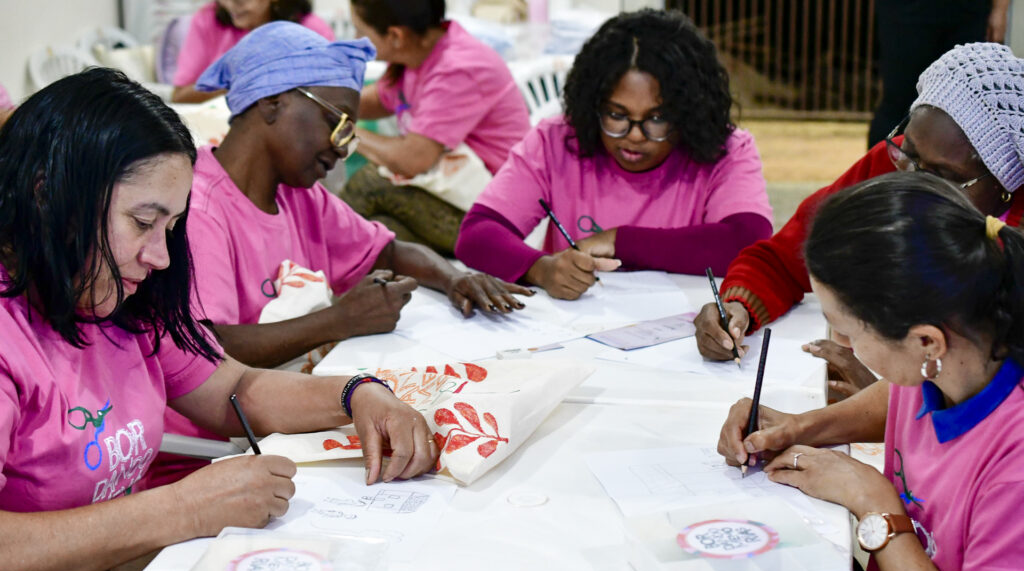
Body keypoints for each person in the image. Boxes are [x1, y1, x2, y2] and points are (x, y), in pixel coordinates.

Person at [0, 68, 436, 571]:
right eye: (142, 223)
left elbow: (233, 386)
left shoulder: (121, 303)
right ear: (49, 193)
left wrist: (360, 394)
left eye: (172, 230)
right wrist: (183, 508)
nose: (159, 257)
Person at [145, 22, 530, 488]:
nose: (344, 148)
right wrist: (339, 321)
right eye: (338, 122)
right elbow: (207, 354)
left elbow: (390, 250)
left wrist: (453, 280)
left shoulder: (299, 196)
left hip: (277, 413)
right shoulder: (200, 209)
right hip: (217, 448)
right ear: (272, 102)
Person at [717, 172, 1024, 571]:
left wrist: (875, 503)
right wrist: (800, 426)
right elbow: (904, 395)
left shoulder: (1014, 470)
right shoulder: (955, 360)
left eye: (849, 329)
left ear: (926, 342)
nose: (840, 341)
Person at [695, 42, 1024, 392]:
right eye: (907, 151)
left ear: (1005, 182)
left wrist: (884, 400)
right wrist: (737, 306)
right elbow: (784, 258)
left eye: (942, 175)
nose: (912, 179)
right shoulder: (890, 165)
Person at [455, 9, 773, 300]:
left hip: (686, 331)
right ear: (593, 106)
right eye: (617, 116)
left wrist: (620, 242)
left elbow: (746, 243)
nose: (635, 135)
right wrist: (540, 269)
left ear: (689, 114)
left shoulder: (726, 149)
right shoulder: (557, 141)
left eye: (658, 119)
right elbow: (477, 234)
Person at [340, 0, 530, 255]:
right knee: (379, 232)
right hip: (455, 201)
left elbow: (411, 160)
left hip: (498, 220)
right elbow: (378, 100)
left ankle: (320, 268)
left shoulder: (459, 67)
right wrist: (323, 102)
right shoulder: (418, 56)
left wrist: (345, 130)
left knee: (370, 183)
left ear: (396, 35)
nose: (355, 39)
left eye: (361, 31)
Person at [868, 0, 1009, 147]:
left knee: (966, 106)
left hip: (969, 12)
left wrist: (1000, 10)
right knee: (898, 101)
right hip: (905, 8)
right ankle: (881, 168)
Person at [171, 0, 333, 103]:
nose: (228, 5)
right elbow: (179, 97)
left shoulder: (311, 31)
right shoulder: (208, 20)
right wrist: (240, 80)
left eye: (239, 1)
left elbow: (332, 98)